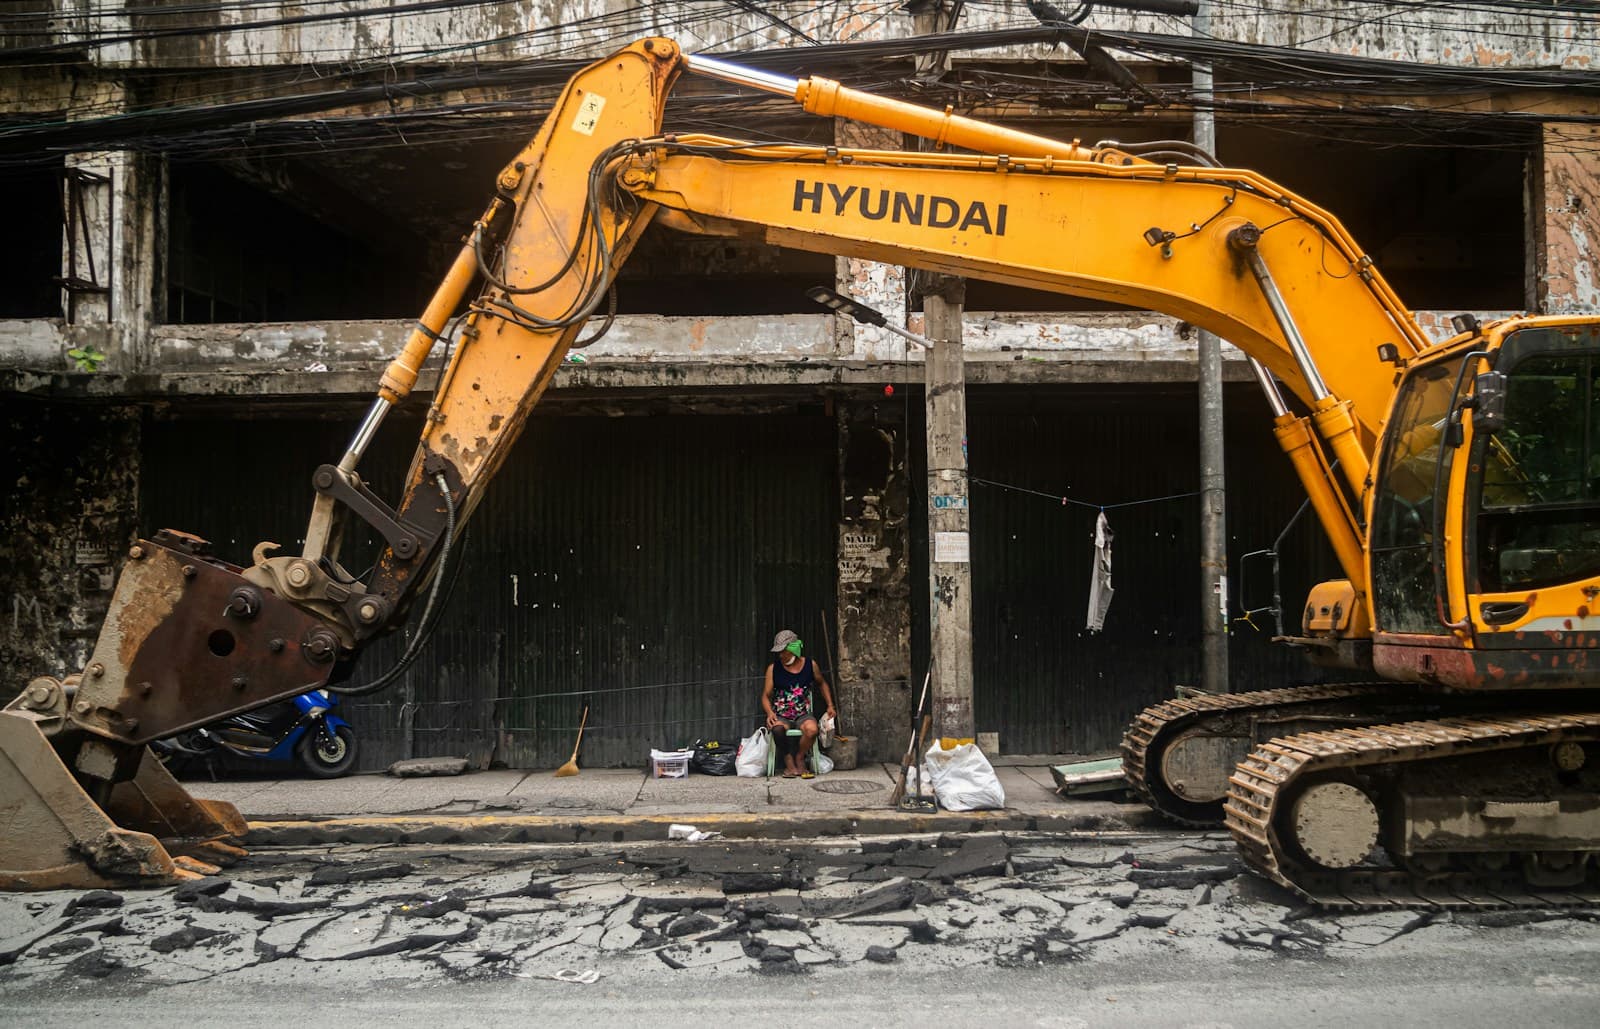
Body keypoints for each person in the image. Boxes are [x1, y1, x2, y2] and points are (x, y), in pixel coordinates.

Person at [761, 628, 836, 779]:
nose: (781, 655)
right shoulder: (773, 669)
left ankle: (800, 757)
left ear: (794, 649)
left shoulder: (810, 665)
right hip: (781, 714)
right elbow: (765, 695)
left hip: (803, 714)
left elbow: (822, 683)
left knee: (812, 730)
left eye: (785, 651)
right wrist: (770, 712)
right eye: (779, 652)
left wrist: (830, 705)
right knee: (777, 730)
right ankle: (789, 762)